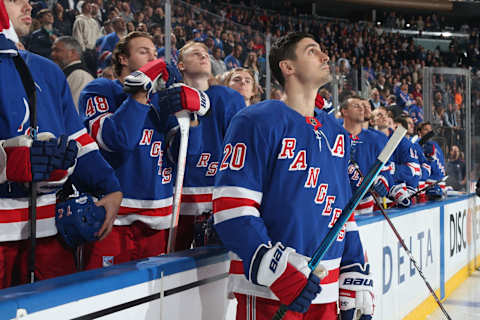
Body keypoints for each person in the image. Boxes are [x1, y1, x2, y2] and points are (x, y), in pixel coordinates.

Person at [213, 32, 374, 320]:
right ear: (288, 67)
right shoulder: (254, 120)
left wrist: (353, 268)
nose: (325, 57)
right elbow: (232, 208)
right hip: (270, 292)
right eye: (313, 51)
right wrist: (272, 266)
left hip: (324, 293)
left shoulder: (337, 133)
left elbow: (343, 212)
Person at [0, 0, 122, 288]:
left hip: (49, 231)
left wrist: (110, 186)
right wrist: (7, 162)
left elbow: (77, 139)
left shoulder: (48, 71)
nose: (27, 4)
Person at [78, 32, 206, 269]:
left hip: (158, 220)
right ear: (123, 59)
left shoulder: (162, 101)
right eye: (144, 51)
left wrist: (192, 118)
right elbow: (117, 139)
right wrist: (139, 91)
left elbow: (187, 156)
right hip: (112, 219)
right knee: (105, 298)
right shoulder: (101, 89)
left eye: (155, 53)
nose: (154, 58)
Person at [173, 41, 246, 250]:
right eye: (195, 54)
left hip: (217, 196)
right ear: (180, 65)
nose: (204, 56)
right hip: (178, 199)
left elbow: (238, 150)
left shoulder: (228, 97)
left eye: (205, 53)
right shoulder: (171, 97)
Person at [340, 95, 392, 214]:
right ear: (344, 111)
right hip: (339, 202)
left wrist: (382, 181)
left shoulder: (377, 139)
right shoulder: (333, 135)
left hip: (365, 204)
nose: (362, 109)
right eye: (356, 106)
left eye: (363, 106)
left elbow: (385, 169)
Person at [51, 36, 94, 112]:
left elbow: (74, 111)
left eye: (57, 50)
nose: (52, 54)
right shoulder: (69, 73)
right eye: (52, 50)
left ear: (72, 53)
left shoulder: (80, 76)